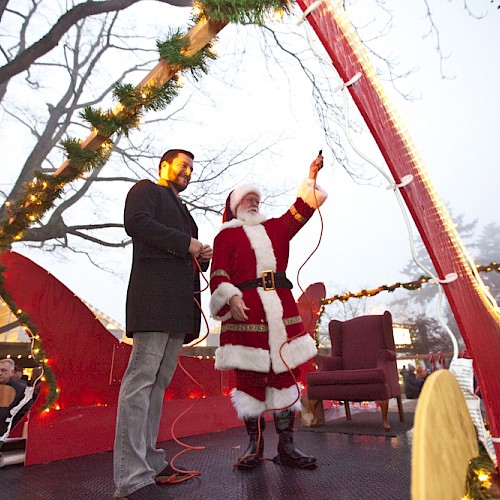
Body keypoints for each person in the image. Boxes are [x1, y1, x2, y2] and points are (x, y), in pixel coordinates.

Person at [209, 153, 327, 470]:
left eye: (256, 199)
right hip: (247, 315)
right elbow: (218, 274)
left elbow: (300, 211)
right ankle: (254, 446)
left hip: (281, 313)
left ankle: (287, 447)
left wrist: (311, 176)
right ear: (234, 206)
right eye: (247, 199)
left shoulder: (275, 228)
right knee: (249, 381)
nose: (253, 203)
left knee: (286, 378)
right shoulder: (226, 236)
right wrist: (230, 297)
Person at [113, 149, 213, 499]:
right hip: (153, 302)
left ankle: (151, 463)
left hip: (178, 308)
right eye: (181, 164)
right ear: (163, 167)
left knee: (157, 385)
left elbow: (184, 251)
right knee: (140, 382)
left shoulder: (185, 212)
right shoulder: (145, 190)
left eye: (191, 168)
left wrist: (201, 254)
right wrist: (188, 244)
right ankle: (130, 477)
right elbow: (137, 223)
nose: (187, 170)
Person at [0, 358, 28, 439]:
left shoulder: (23, 391)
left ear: (12, 372)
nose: (0, 373)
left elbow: (22, 414)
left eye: (4, 370)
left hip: (8, 435)